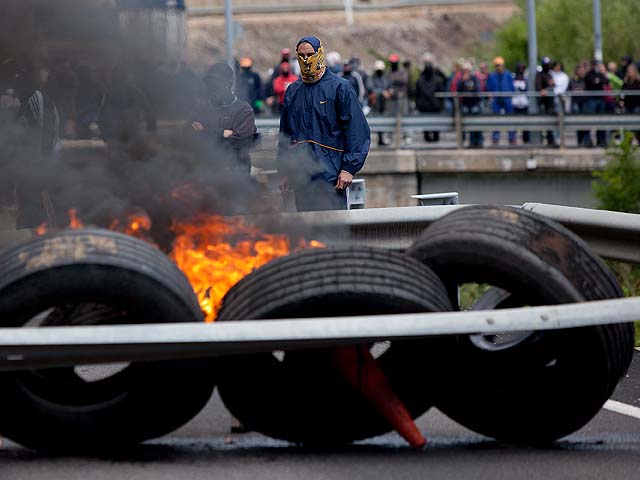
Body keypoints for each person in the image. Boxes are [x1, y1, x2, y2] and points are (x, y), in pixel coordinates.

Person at [277, 36, 370, 211]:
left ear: (319, 54)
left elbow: (357, 130)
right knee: (306, 235)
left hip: (331, 178)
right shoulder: (293, 92)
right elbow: (286, 135)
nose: (306, 59)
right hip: (302, 178)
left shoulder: (340, 88)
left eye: (310, 54)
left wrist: (349, 168)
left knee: (333, 234)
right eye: (301, 55)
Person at [187, 62, 259, 213]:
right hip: (208, 176)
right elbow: (187, 135)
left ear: (229, 83)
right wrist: (224, 133)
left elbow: (242, 139)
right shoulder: (201, 108)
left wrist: (207, 132)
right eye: (211, 83)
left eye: (218, 83)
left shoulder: (243, 109)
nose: (214, 87)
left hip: (236, 176)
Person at [0, 58, 60, 229]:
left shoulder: (36, 99)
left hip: (41, 155)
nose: (13, 89)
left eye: (15, 82)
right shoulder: (23, 101)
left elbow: (44, 132)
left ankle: (42, 226)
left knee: (36, 191)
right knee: (24, 191)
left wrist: (40, 160)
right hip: (28, 156)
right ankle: (28, 224)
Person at [415, 53, 446, 142]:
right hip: (425, 108)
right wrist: (419, 105)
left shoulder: (438, 78)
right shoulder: (420, 79)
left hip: (435, 107)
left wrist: (440, 106)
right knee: (426, 132)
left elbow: (441, 92)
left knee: (436, 131)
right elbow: (417, 94)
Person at [486, 56, 516, 145]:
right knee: (496, 120)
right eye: (497, 65)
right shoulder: (492, 76)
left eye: (500, 65)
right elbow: (489, 87)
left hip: (507, 99)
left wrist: (510, 95)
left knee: (510, 119)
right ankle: (495, 138)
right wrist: (490, 94)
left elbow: (512, 87)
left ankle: (512, 137)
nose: (499, 67)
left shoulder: (508, 75)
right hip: (496, 100)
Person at [456, 62, 483, 148]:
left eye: (468, 70)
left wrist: (472, 88)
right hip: (465, 104)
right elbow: (458, 90)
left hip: (474, 104)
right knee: (468, 125)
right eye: (465, 70)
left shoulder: (474, 78)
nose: (466, 71)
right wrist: (463, 81)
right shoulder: (461, 79)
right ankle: (471, 142)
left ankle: (478, 141)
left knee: (477, 124)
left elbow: (478, 89)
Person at [367, 60, 392, 146]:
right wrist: (382, 92)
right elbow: (370, 88)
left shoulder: (385, 78)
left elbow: (389, 86)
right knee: (378, 120)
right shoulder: (372, 78)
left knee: (384, 120)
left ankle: (383, 138)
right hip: (375, 103)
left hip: (384, 103)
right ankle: (380, 138)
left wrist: (389, 92)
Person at [584, 59, 609, 147]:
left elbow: (606, 81)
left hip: (600, 100)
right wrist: (598, 81)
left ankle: (601, 140)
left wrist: (599, 80)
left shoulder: (600, 74)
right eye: (594, 65)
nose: (596, 66)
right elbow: (591, 83)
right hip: (591, 100)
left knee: (601, 121)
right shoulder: (589, 74)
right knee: (589, 121)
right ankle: (587, 141)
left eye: (597, 65)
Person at [569, 63, 591, 147]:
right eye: (579, 70)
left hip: (585, 103)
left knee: (586, 122)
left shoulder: (586, 80)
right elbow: (568, 89)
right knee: (578, 123)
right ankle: (580, 141)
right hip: (576, 103)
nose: (581, 72)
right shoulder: (572, 80)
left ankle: (587, 140)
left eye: (582, 70)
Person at [536, 57, 555, 146]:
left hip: (550, 102)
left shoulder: (550, 74)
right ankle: (539, 139)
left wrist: (551, 85)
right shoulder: (539, 74)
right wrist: (545, 89)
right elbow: (539, 87)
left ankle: (550, 140)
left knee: (550, 121)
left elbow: (553, 85)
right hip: (542, 102)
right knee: (541, 121)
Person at [620, 63, 640, 143]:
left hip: (637, 105)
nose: (629, 72)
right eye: (628, 71)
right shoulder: (626, 82)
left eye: (631, 71)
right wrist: (621, 101)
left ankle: (638, 140)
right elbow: (622, 93)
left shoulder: (638, 81)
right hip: (628, 106)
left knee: (637, 125)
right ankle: (629, 141)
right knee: (628, 125)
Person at [511, 62, 530, 144]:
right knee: (513, 123)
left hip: (524, 103)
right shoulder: (513, 77)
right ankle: (513, 139)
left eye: (522, 68)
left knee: (525, 123)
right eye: (519, 68)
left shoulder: (526, 78)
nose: (520, 70)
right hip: (514, 103)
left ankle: (526, 139)